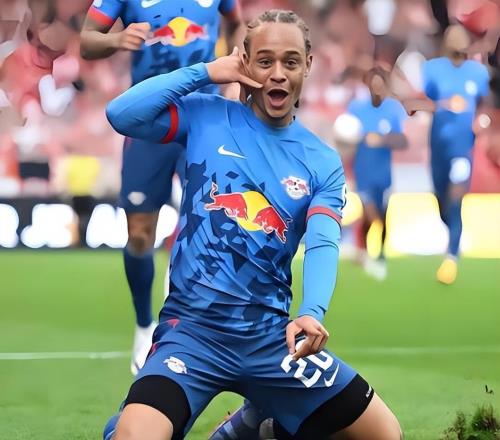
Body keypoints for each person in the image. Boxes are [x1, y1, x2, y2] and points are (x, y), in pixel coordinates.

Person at [104, 9, 402, 440]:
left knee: (384, 434)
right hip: (192, 333)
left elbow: (323, 242)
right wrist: (206, 71)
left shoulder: (321, 161)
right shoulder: (206, 116)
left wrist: (312, 313)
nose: (278, 73)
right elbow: (121, 114)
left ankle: (254, 426)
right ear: (244, 63)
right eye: (265, 61)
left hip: (272, 340)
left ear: (307, 66)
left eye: (290, 62)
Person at [80, 0, 244, 374]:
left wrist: (234, 74)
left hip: (203, 116)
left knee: (205, 223)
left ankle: (183, 328)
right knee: (140, 234)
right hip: (150, 119)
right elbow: (87, 42)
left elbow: (236, 23)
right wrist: (117, 39)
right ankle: (143, 325)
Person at [420, 25, 489, 284]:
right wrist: (442, 105)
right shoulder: (432, 69)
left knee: (456, 197)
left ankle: (451, 257)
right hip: (438, 146)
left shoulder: (478, 73)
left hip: (463, 147)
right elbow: (425, 100)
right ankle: (454, 232)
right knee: (441, 200)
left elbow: (484, 104)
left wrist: (480, 121)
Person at [349, 67, 408, 281]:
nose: (376, 89)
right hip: (363, 171)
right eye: (373, 85)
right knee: (370, 212)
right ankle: (364, 251)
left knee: (383, 214)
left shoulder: (393, 109)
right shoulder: (356, 108)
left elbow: (403, 141)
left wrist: (381, 139)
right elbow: (345, 136)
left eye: (380, 85)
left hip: (383, 173)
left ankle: (379, 253)